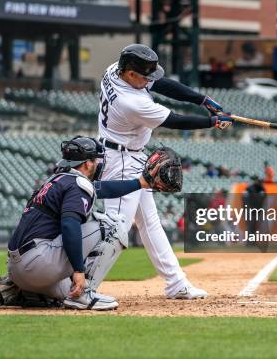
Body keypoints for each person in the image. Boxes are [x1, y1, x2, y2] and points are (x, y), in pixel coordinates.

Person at [96, 44, 236, 299]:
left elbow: (163, 85)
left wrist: (202, 100)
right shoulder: (132, 102)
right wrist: (213, 122)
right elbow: (176, 120)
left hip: (128, 154)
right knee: (116, 229)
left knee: (150, 223)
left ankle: (176, 284)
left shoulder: (114, 70)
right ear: (129, 74)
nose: (150, 80)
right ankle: (84, 287)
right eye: (145, 76)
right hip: (121, 161)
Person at [0, 136, 166, 311]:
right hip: (38, 263)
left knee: (67, 291)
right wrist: (78, 270)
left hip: (18, 268)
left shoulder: (58, 180)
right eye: (95, 160)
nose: (98, 164)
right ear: (86, 163)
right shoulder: (77, 183)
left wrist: (140, 183)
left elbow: (104, 189)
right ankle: (83, 295)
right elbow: (69, 226)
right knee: (113, 226)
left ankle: (18, 290)